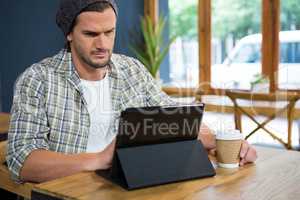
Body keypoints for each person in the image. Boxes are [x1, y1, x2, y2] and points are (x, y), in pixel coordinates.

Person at [6, 0, 257, 183]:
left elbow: (175, 117)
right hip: (69, 192)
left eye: (109, 32)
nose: (103, 44)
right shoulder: (38, 79)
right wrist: (100, 159)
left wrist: (226, 142)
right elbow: (22, 160)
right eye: (91, 34)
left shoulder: (132, 70)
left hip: (131, 187)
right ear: (70, 33)